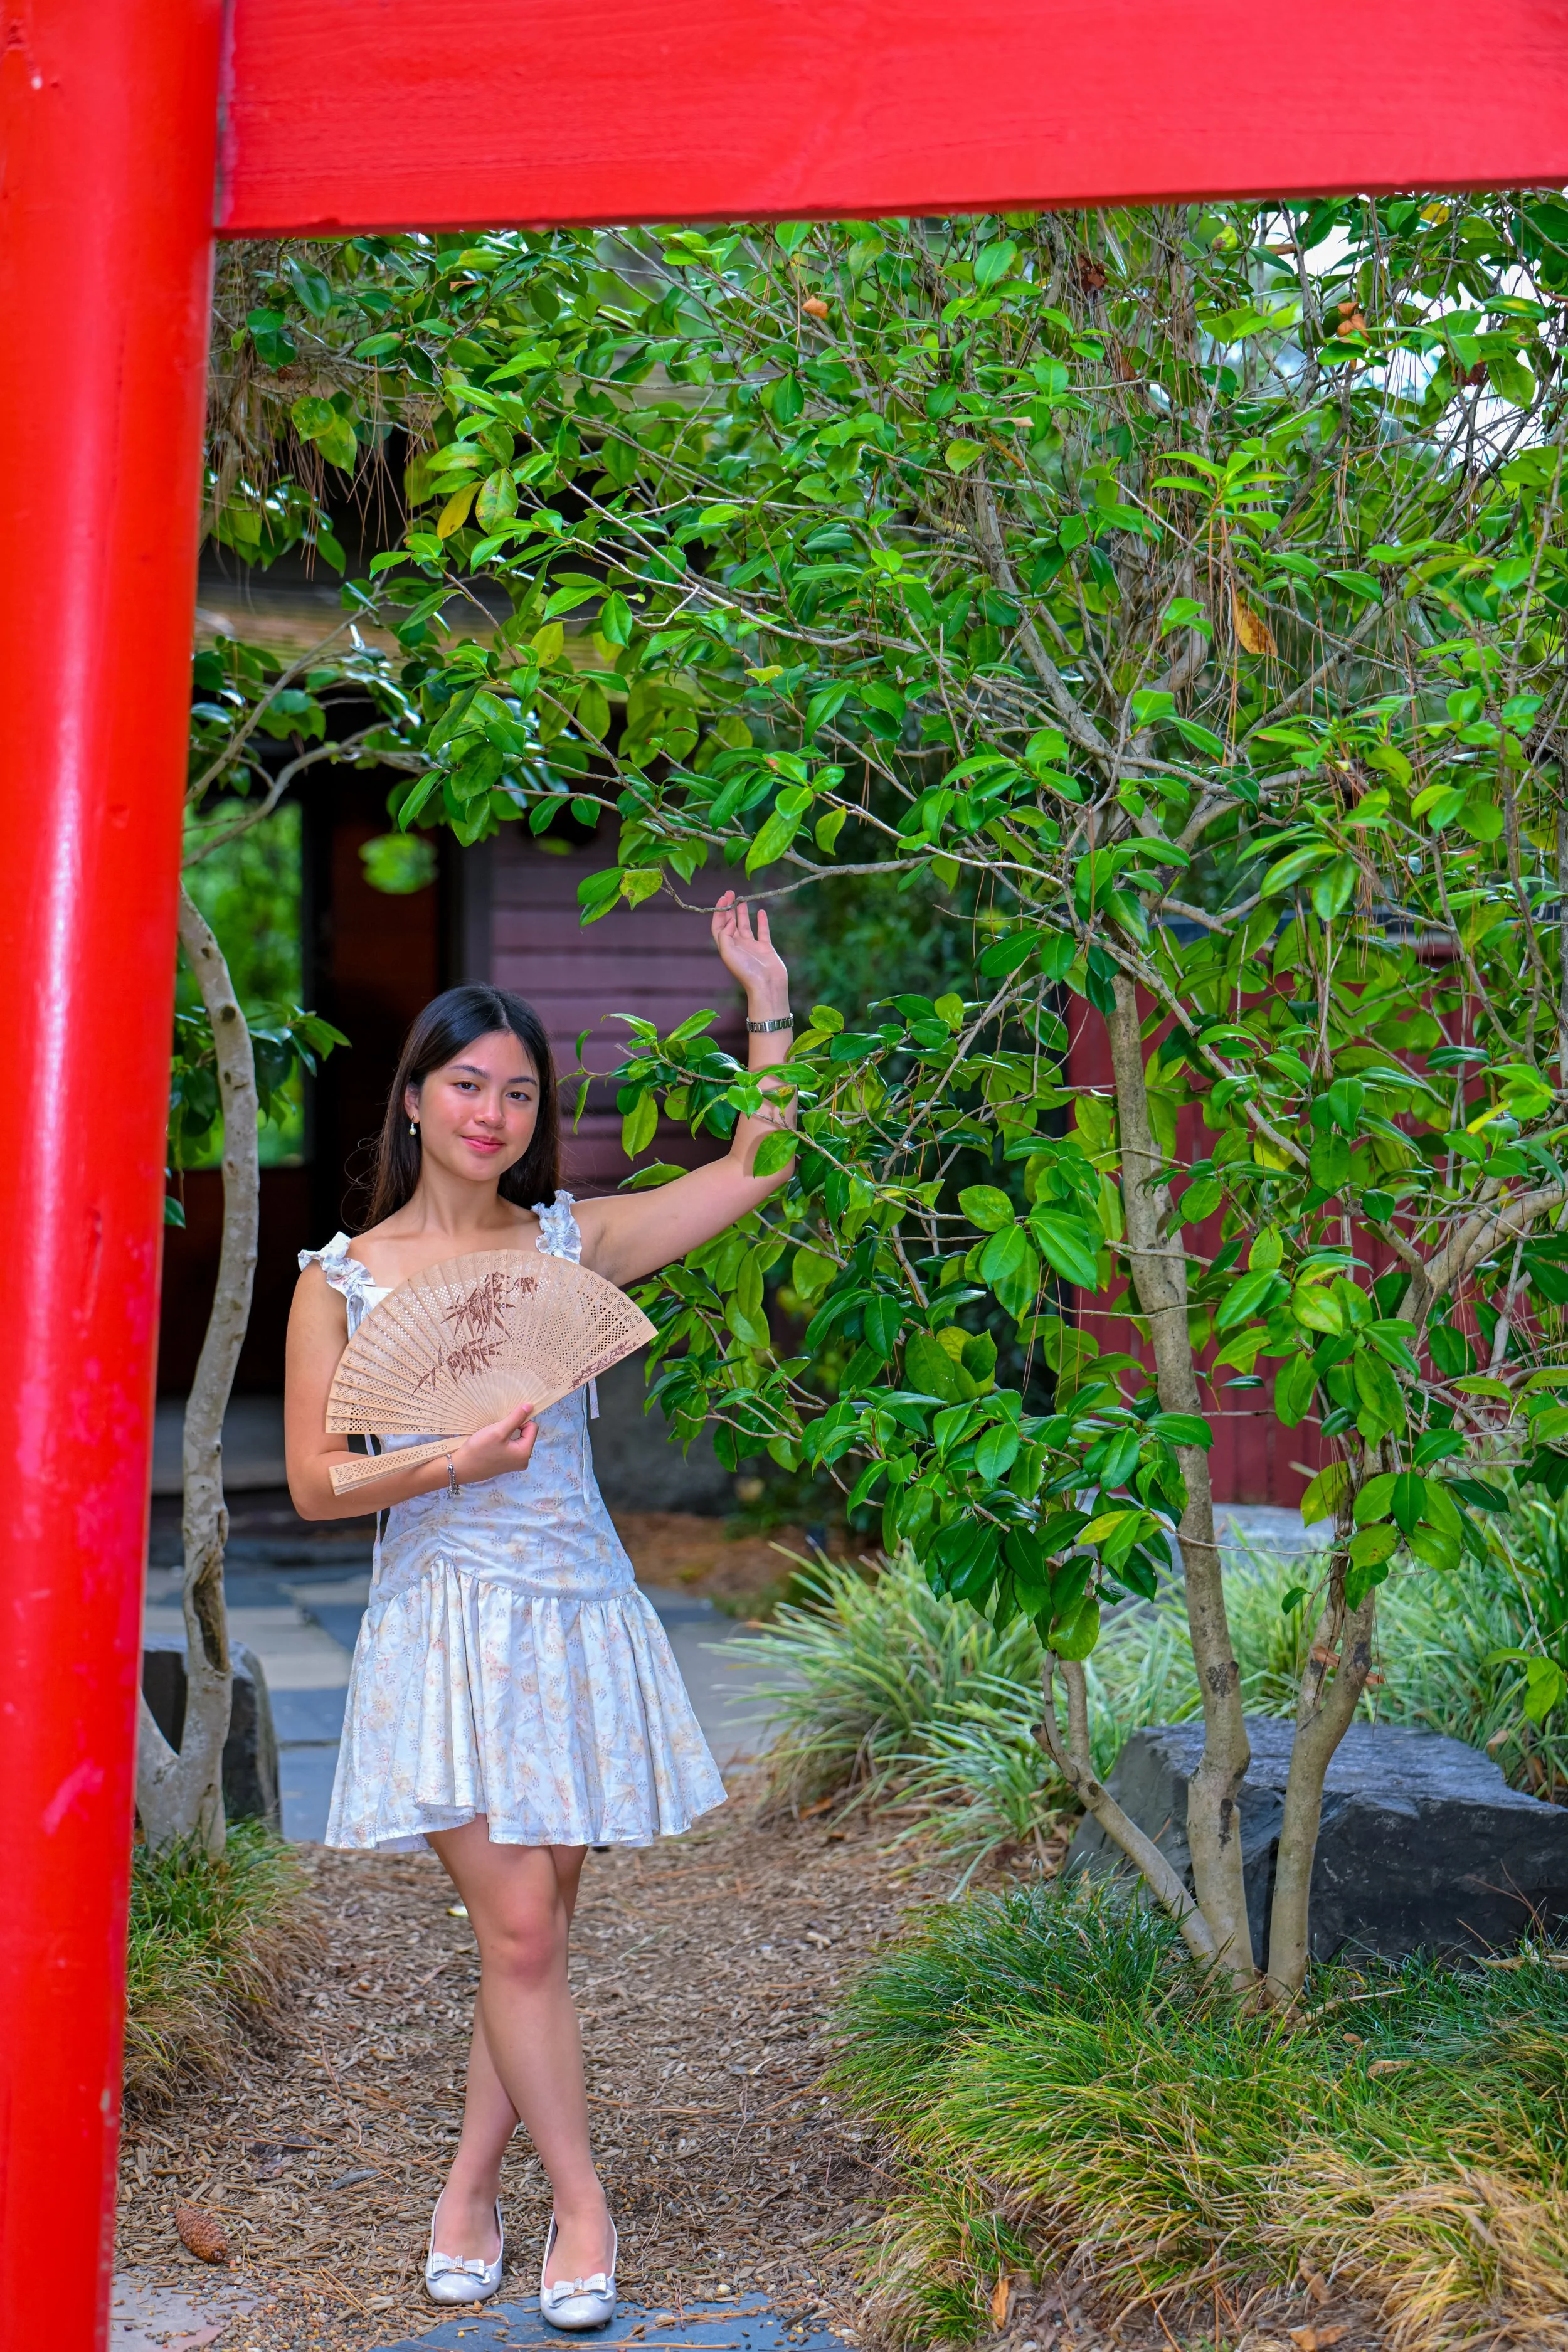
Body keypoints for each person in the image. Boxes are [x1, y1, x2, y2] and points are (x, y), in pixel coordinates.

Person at [284, 892, 795, 2325]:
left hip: (575, 1622)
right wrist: (452, 1456)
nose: (493, 1112)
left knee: (537, 1938)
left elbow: (762, 1166)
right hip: (444, 1625)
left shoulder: (571, 1246)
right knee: (517, 1934)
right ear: (416, 1098)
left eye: (519, 1090)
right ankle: (582, 2207)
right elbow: (319, 1490)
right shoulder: (343, 1283)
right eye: (467, 1084)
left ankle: (466, 2183)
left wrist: (763, 996)